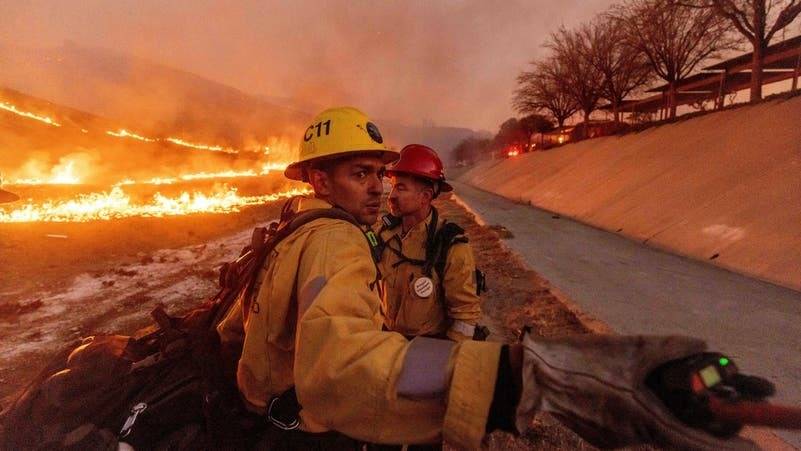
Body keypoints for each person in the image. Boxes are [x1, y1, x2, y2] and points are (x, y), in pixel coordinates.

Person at [216, 106, 762, 450]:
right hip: (312, 429)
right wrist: (522, 379)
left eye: (382, 175)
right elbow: (344, 364)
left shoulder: (294, 229)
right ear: (318, 178)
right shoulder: (337, 241)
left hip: (293, 410)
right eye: (361, 174)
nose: (381, 188)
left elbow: (238, 331)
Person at [376, 144, 483, 341]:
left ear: (425, 197)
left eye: (401, 188)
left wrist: (445, 359)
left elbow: (465, 316)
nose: (391, 196)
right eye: (392, 187)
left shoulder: (451, 245)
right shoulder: (383, 234)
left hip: (426, 349)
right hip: (385, 344)